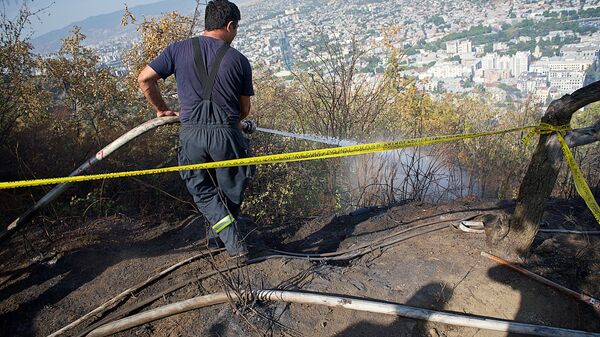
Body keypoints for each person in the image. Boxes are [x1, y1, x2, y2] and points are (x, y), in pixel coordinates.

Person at [137, 0, 254, 259]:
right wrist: (237, 119)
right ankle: (234, 243)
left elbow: (144, 78)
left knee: (203, 191)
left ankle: (218, 240)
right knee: (232, 188)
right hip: (226, 136)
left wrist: (161, 108)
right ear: (230, 25)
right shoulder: (239, 61)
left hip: (191, 135)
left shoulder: (177, 50)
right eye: (236, 29)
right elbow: (244, 111)